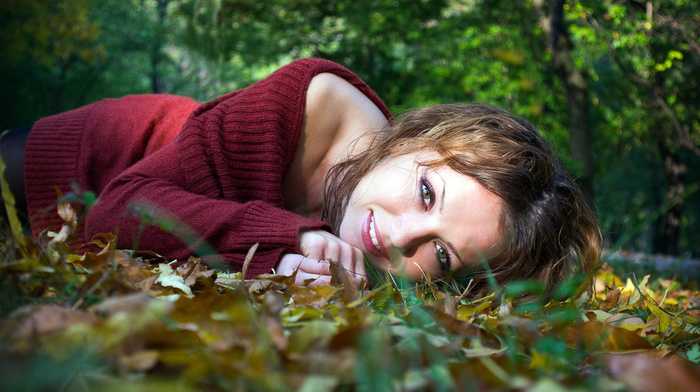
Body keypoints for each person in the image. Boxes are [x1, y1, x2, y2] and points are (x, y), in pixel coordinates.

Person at [1, 58, 600, 297]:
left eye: (439, 254)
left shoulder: (385, 276)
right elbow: (114, 214)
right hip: (65, 167)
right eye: (426, 192)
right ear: (420, 140)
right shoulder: (313, 102)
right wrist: (288, 239)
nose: (396, 237)